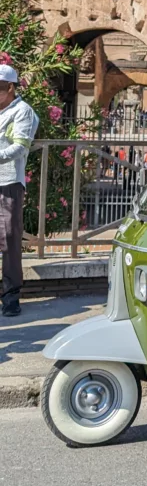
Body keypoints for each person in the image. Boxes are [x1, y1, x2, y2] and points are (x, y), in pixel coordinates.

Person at [0, 65, 40, 318]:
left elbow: (20, 147)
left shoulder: (22, 112)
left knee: (9, 241)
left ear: (11, 87)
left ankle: (11, 296)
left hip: (8, 183)